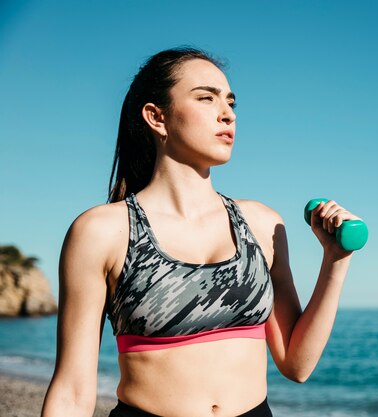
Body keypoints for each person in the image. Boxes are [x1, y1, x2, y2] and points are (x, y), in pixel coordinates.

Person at [40, 47, 360, 417]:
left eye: (231, 102)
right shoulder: (102, 231)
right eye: (206, 98)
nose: (228, 114)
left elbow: (296, 364)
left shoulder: (261, 223)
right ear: (156, 117)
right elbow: (72, 390)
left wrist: (335, 261)